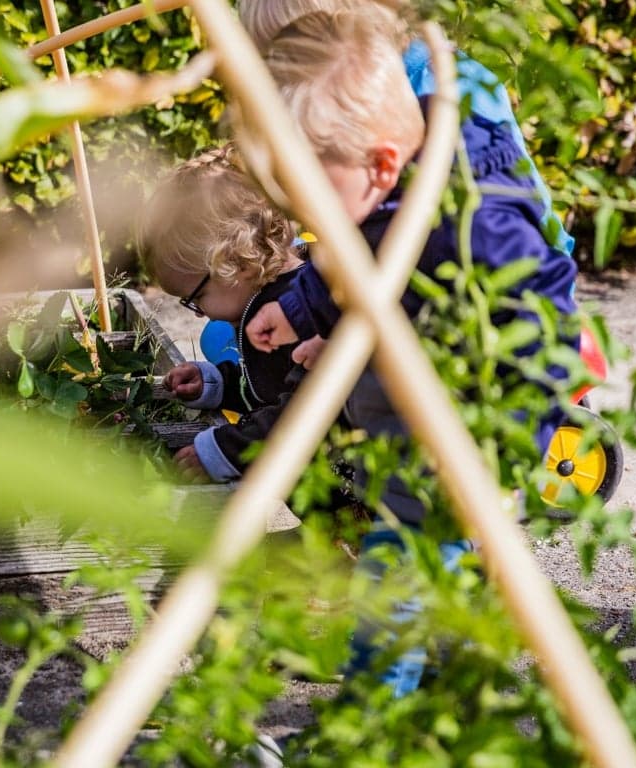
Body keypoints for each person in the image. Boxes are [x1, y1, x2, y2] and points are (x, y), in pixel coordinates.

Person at [242, 7, 579, 698]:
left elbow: (544, 330)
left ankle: (373, 714)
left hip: (459, 439)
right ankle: (437, 672)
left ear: (383, 165)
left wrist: (509, 446)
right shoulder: (380, 189)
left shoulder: (477, 221)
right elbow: (358, 257)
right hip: (399, 422)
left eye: (312, 198)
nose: (310, 219)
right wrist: (303, 306)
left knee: (402, 574)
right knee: (412, 571)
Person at [237, 0, 575, 255]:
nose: (288, 84)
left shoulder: (448, 89)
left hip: (503, 271)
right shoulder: (333, 102)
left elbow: (506, 215)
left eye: (299, 60)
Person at [137, 145, 326, 482]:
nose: (196, 314)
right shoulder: (270, 299)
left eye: (196, 297)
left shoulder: (298, 315)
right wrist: (218, 383)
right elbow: (267, 384)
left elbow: (308, 413)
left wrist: (228, 450)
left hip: (342, 494)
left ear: (235, 263)